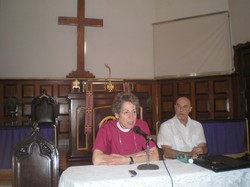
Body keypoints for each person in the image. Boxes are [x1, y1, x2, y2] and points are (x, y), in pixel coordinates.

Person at [92, 92, 159, 165]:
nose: (131, 117)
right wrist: (132, 157)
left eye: (134, 111)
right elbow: (96, 159)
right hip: (114, 171)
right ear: (117, 115)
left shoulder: (141, 126)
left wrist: (127, 160)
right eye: (126, 112)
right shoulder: (107, 128)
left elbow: (155, 157)